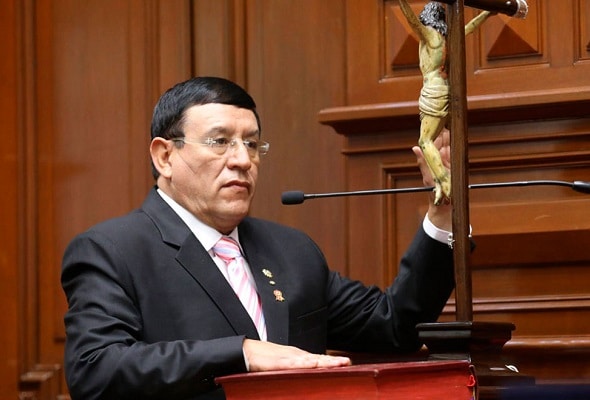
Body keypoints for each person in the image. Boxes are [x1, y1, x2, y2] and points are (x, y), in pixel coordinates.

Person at [61, 76, 456, 400]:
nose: (242, 160)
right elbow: (95, 370)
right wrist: (243, 353)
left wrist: (443, 211)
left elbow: (394, 327)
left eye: (251, 144)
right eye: (219, 142)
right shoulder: (112, 250)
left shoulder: (292, 250)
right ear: (165, 156)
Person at [398, 0, 492, 205]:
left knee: (425, 141)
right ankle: (440, 185)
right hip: (447, 89)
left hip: (433, 91)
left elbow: (411, 20)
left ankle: (445, 181)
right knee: (443, 138)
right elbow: (470, 27)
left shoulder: (430, 35)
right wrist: (487, 13)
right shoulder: (449, 37)